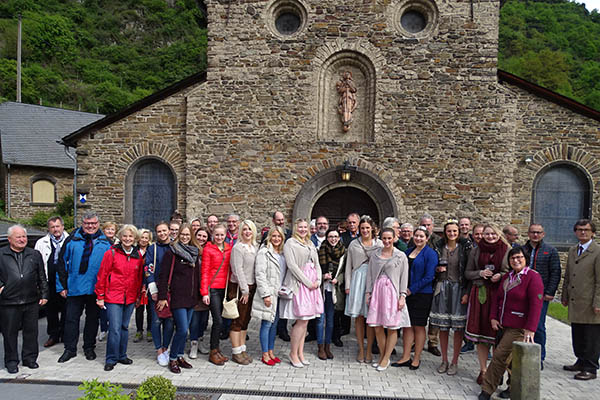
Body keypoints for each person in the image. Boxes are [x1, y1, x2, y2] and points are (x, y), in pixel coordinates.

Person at [478, 246, 544, 400]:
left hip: (519, 326)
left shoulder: (533, 277)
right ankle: (512, 388)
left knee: (499, 356)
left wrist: (530, 329)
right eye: (513, 258)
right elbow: (498, 298)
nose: (516, 260)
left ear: (526, 259)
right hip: (503, 324)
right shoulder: (508, 276)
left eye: (519, 257)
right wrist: (493, 317)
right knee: (511, 359)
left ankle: (487, 389)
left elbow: (536, 304)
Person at [57, 211, 112, 363]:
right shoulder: (72, 240)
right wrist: (61, 286)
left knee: (92, 320)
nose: (91, 226)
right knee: (71, 320)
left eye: (93, 223)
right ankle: (70, 349)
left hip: (95, 289)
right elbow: (61, 264)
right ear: (82, 224)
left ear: (98, 224)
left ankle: (89, 347)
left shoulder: (107, 243)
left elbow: (111, 268)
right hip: (74, 288)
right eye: (87, 224)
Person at [464, 224, 510, 384]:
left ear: (498, 234)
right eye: (487, 234)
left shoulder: (507, 250)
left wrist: (501, 275)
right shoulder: (476, 250)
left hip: (499, 296)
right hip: (480, 294)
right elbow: (468, 273)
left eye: (493, 234)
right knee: (482, 334)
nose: (490, 237)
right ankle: (483, 370)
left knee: (497, 335)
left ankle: (496, 371)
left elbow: (513, 271)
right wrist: (480, 273)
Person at [0, 225, 48, 373]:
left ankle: (30, 359)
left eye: (24, 237)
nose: (22, 240)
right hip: (9, 301)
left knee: (31, 332)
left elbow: (42, 276)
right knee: (9, 334)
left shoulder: (34, 254)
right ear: (10, 239)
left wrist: (45, 294)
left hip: (31, 300)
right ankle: (11, 361)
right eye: (18, 237)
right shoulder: (1, 254)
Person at [95, 225, 144, 371]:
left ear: (134, 239)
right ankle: (111, 358)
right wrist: (100, 296)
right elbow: (102, 275)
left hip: (129, 297)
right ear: (120, 237)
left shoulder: (138, 256)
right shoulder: (111, 253)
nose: (128, 239)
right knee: (115, 328)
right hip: (113, 296)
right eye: (125, 236)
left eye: (130, 237)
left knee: (124, 327)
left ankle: (122, 355)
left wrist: (137, 297)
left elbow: (139, 278)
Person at [157, 224, 201, 373]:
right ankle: (173, 358)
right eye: (182, 234)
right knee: (181, 329)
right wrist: (162, 296)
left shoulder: (195, 252)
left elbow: (197, 277)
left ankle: (180, 355)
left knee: (185, 330)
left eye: (188, 235)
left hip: (191, 297)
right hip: (177, 297)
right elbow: (163, 276)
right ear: (177, 235)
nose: (185, 237)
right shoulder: (172, 252)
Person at [365, 227, 410, 371]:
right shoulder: (375, 255)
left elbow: (404, 277)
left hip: (393, 293)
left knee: (391, 327)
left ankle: (385, 358)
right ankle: (383, 356)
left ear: (394, 238)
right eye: (384, 238)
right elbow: (370, 276)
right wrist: (368, 293)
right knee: (377, 326)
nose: (386, 241)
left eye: (389, 238)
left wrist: (402, 296)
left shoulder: (401, 256)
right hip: (378, 292)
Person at [431, 220, 471, 375]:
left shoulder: (465, 248)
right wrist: (436, 269)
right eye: (449, 231)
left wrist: (467, 292)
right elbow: (432, 266)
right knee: (443, 326)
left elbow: (469, 270)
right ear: (445, 232)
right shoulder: (439, 247)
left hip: (458, 288)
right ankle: (444, 360)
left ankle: (455, 361)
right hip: (442, 287)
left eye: (455, 231)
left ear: (458, 232)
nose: (452, 234)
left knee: (458, 327)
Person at [394, 226, 437, 370]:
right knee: (407, 326)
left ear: (427, 238)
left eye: (421, 236)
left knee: (418, 326)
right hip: (406, 294)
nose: (418, 238)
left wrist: (411, 289)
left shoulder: (430, 254)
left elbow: (429, 276)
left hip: (422, 294)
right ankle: (405, 356)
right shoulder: (407, 251)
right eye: (416, 236)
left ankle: (416, 358)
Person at [281, 218, 323, 368]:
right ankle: (293, 353)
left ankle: (300, 352)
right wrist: (308, 282)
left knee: (306, 321)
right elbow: (292, 266)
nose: (303, 230)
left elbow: (317, 263)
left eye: (305, 227)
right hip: (300, 284)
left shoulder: (310, 243)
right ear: (295, 228)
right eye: (300, 227)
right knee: (300, 320)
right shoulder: (290, 243)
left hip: (313, 285)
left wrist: (318, 279)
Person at [561, 219, 600, 381]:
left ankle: (590, 367)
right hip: (576, 300)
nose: (582, 232)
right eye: (578, 229)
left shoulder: (597, 251)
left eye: (585, 229)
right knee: (578, 333)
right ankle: (581, 361)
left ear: (593, 232)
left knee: (591, 336)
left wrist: (598, 302)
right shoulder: (573, 250)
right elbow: (569, 274)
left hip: (590, 302)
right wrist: (564, 295)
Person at [522, 223, 561, 368]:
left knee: (538, 326)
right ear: (528, 233)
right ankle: (522, 353)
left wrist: (550, 292)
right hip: (523, 294)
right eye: (533, 232)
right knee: (521, 325)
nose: (535, 235)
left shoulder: (550, 251)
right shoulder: (521, 249)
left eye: (538, 232)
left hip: (541, 295)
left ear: (543, 234)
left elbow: (555, 272)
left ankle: (539, 358)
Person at [344, 215, 382, 363]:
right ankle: (360, 348)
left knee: (370, 317)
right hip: (357, 279)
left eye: (367, 228)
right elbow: (348, 266)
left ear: (372, 228)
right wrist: (348, 285)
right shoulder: (354, 244)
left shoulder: (379, 244)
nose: (365, 230)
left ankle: (369, 350)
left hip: (373, 281)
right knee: (359, 317)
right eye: (362, 228)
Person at [252, 226, 287, 366]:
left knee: (274, 324)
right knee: (266, 323)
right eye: (274, 236)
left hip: (279, 294)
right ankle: (265, 353)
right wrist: (265, 294)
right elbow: (260, 275)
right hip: (269, 293)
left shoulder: (283, 254)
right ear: (269, 237)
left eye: (279, 237)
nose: (276, 239)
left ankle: (271, 351)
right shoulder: (264, 252)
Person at [34, 216, 69, 348]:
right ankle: (53, 335)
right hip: (49, 281)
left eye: (58, 226)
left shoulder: (70, 240)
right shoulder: (41, 242)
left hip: (65, 281)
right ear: (49, 229)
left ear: (62, 227)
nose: (56, 229)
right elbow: (37, 263)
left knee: (67, 309)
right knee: (51, 310)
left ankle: (65, 334)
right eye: (53, 227)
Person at [201, 224, 232, 365]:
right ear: (213, 235)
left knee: (221, 321)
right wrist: (204, 292)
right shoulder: (208, 249)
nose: (219, 237)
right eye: (217, 235)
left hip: (224, 289)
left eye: (221, 235)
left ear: (225, 235)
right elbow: (205, 271)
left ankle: (217, 348)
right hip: (213, 289)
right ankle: (213, 351)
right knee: (218, 321)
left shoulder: (228, 248)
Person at [228, 220, 258, 364]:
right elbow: (237, 269)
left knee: (245, 320)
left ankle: (242, 348)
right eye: (245, 229)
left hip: (252, 287)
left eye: (250, 229)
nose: (247, 232)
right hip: (240, 288)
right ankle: (236, 351)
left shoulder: (255, 247)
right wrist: (244, 289)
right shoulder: (238, 248)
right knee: (237, 320)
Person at [145, 221, 174, 367]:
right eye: (159, 231)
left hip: (171, 291)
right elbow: (148, 268)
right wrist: (153, 289)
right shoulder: (153, 248)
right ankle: (158, 350)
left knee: (169, 322)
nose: (162, 234)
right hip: (156, 290)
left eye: (164, 231)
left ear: (169, 231)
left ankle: (165, 347)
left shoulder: (174, 247)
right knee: (156, 321)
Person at [316, 228, 346, 358]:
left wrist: (337, 279)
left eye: (335, 236)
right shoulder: (320, 250)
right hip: (321, 290)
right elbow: (314, 269)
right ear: (326, 238)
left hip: (334, 291)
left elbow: (345, 271)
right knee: (320, 320)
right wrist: (322, 276)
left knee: (331, 321)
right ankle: (320, 347)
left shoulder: (344, 252)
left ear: (339, 238)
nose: (333, 239)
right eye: (330, 237)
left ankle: (328, 346)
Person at [189, 227, 210, 358]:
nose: (201, 239)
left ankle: (201, 341)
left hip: (206, 289)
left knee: (204, 319)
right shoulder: (190, 250)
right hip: (193, 290)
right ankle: (193, 344)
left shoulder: (208, 251)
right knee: (195, 320)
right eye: (199, 236)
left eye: (204, 236)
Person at [98, 221, 118, 341]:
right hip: (103, 276)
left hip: (114, 280)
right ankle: (103, 328)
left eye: (112, 230)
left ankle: (111, 327)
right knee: (102, 307)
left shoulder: (118, 243)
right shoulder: (100, 242)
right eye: (108, 229)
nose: (110, 232)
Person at [133, 229, 152, 343]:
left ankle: (149, 329)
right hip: (137, 283)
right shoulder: (134, 251)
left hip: (148, 282)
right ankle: (139, 330)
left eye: (146, 238)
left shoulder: (151, 251)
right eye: (142, 237)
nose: (144, 240)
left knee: (150, 308)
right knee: (139, 308)